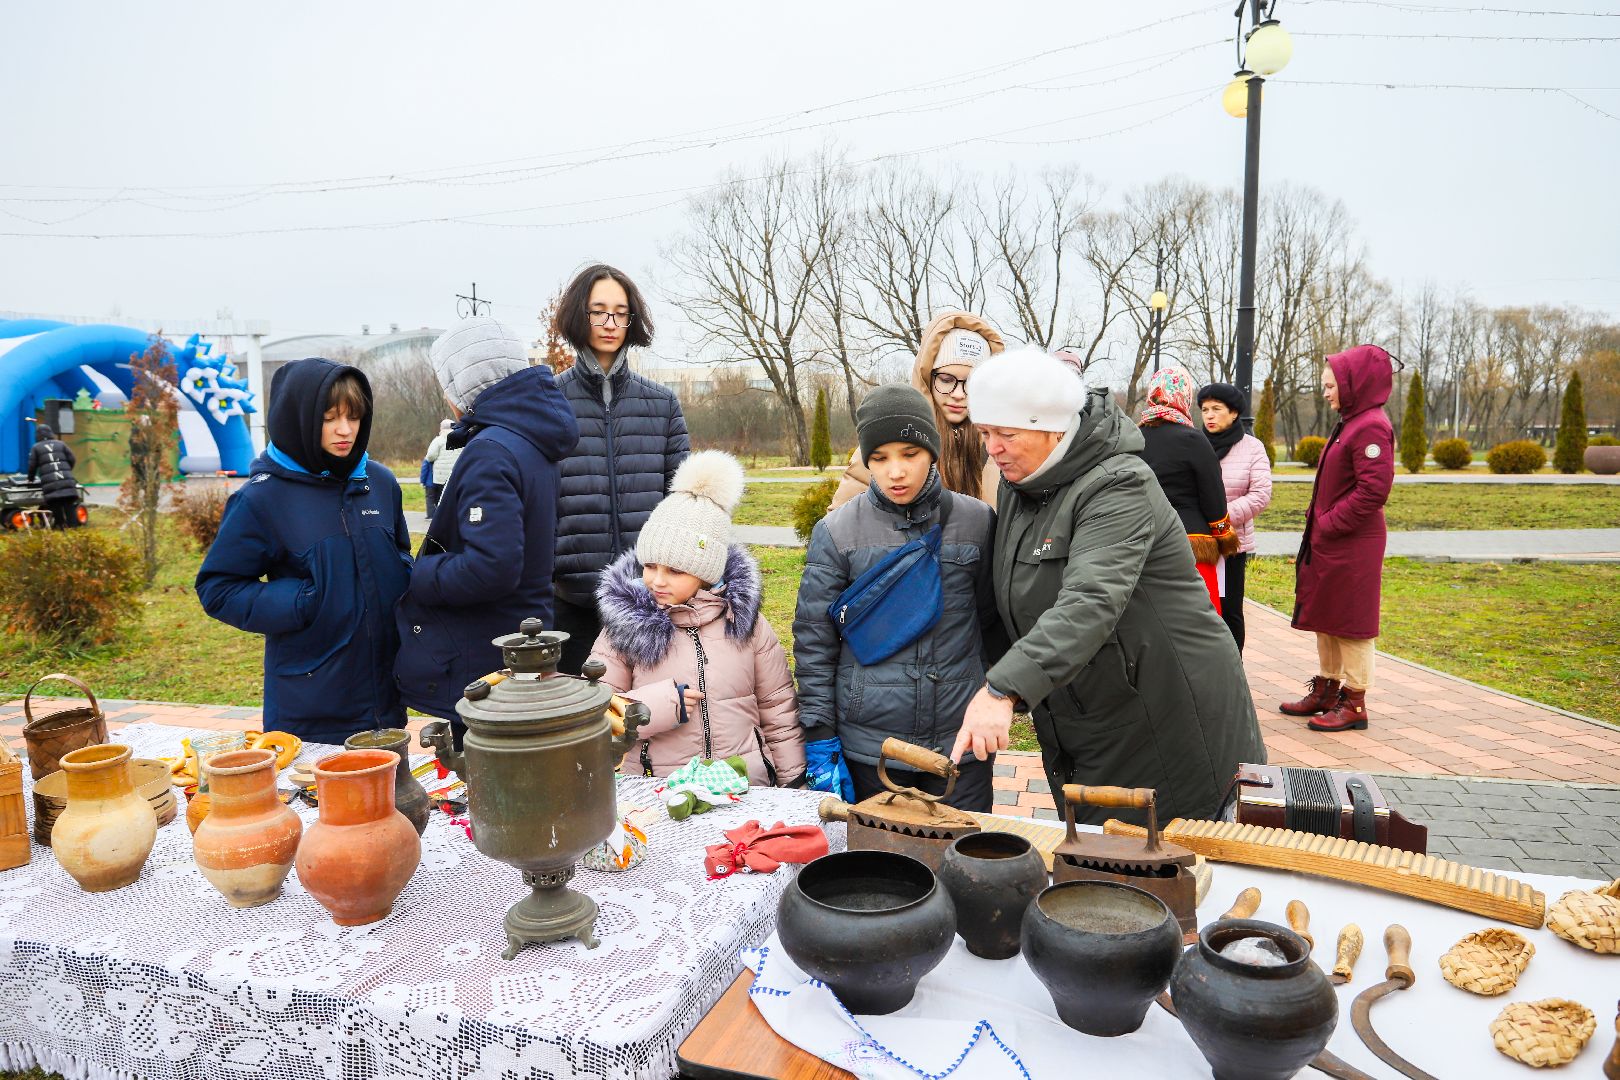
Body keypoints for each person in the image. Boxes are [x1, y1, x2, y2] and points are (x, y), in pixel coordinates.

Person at [953, 347, 1265, 826]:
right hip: (1092, 711)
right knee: (1103, 861)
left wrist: (1004, 689)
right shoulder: (1020, 486)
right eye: (986, 433)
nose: (992, 448)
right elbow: (1008, 593)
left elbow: (1091, 599)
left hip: (1165, 709)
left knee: (1171, 866)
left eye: (1006, 434)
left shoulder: (1119, 484)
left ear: (1053, 428)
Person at [794, 385, 1002, 812]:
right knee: (879, 868)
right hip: (872, 747)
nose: (896, 472)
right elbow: (814, 641)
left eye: (910, 453)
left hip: (959, 741)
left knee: (966, 862)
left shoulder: (977, 521)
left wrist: (995, 696)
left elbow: (992, 623)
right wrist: (819, 735)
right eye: (880, 458)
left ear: (932, 451)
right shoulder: (836, 533)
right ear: (866, 460)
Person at [196, 359, 411, 743]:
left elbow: (399, 553)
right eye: (329, 418)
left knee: (388, 801)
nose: (345, 431)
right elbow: (218, 588)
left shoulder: (379, 482)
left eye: (354, 416)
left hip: (385, 697)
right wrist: (305, 600)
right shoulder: (262, 498)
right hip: (312, 704)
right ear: (300, 418)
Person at [395, 317, 579, 729]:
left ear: (465, 385)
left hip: (485, 652)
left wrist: (420, 573)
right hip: (525, 634)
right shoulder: (532, 440)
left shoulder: (492, 450)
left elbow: (490, 567)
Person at [591, 451, 804, 786]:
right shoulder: (624, 626)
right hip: (658, 792)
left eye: (675, 570)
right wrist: (656, 706)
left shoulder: (746, 624)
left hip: (746, 789)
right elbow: (597, 717)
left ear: (707, 572)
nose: (658, 580)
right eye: (650, 566)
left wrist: (793, 782)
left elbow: (778, 710)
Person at [552, 263, 690, 673]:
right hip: (570, 602)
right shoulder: (549, 403)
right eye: (599, 311)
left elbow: (682, 505)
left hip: (649, 602)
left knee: (647, 721)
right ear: (580, 314)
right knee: (576, 725)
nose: (610, 323)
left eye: (621, 312)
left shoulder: (662, 405)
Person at [1281, 345, 1396, 733]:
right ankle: (1328, 689)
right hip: (1333, 541)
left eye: (1330, 385)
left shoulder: (1371, 426)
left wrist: (1328, 524)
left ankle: (1355, 702)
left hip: (1352, 543)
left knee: (1351, 623)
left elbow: (1373, 491)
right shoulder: (1351, 422)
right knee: (1327, 617)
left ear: (1352, 384)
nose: (1326, 392)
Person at [829, 311, 1004, 510]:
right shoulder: (888, 435)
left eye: (972, 383)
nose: (958, 394)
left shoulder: (1001, 446)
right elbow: (840, 527)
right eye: (946, 380)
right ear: (927, 377)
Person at [1137, 366, 1239, 613]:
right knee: (1198, 619)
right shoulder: (1193, 439)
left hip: (1144, 541)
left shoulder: (1135, 437)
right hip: (1191, 544)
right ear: (1185, 396)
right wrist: (1225, 536)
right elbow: (1213, 497)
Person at [1198, 382, 1273, 651]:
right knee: (1200, 610)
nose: (1209, 415)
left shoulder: (1252, 448)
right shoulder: (1195, 444)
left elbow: (1261, 494)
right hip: (1198, 543)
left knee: (1230, 612)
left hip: (1231, 545)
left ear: (1233, 413)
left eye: (1217, 409)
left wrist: (1220, 516)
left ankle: (1233, 675)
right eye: (1205, 409)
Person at [27, 424, 82, 528]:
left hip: (50, 484)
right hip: (66, 480)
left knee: (55, 504)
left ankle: (60, 526)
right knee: (69, 505)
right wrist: (67, 471)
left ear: (37, 435)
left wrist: (30, 478)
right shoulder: (61, 444)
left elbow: (32, 466)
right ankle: (73, 528)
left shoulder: (36, 447)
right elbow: (72, 459)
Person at [422, 419, 459, 520]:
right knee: (452, 497)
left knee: (440, 498)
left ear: (441, 428)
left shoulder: (438, 440)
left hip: (440, 475)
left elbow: (430, 457)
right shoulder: (460, 438)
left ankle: (441, 517)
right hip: (455, 474)